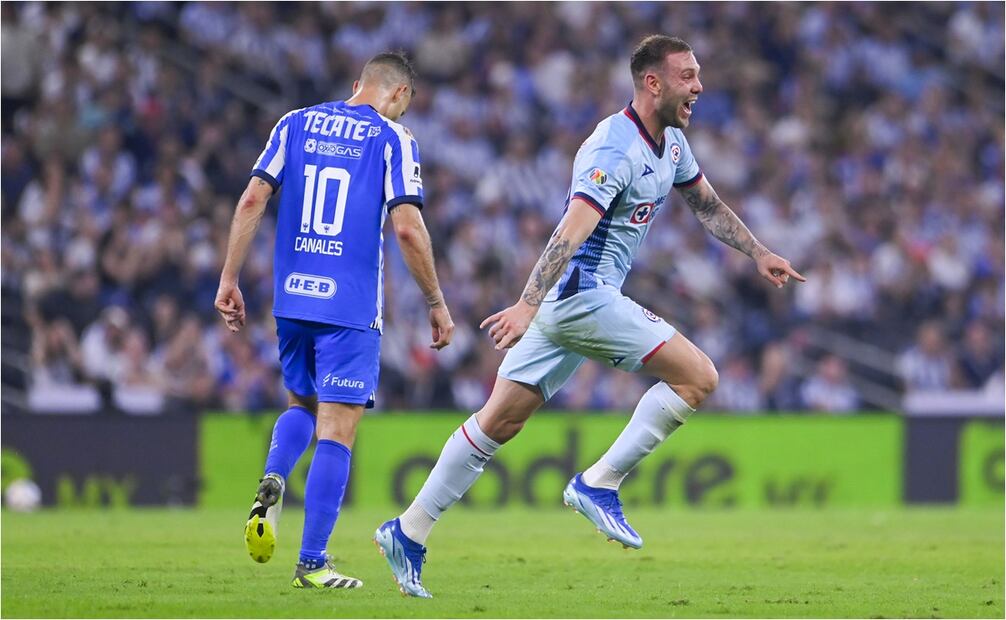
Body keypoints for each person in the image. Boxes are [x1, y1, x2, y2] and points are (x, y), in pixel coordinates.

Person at [374, 35, 805, 598]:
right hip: (581, 294)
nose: (700, 87)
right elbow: (571, 229)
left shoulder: (671, 142)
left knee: (497, 421)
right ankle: (599, 483)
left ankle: (408, 530)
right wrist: (528, 301)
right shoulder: (614, 147)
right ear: (654, 82)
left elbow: (706, 204)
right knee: (699, 377)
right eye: (689, 76)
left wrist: (758, 251)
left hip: (567, 303)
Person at [214, 51, 454, 590]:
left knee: (301, 404)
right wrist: (436, 301)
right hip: (348, 306)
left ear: (357, 84)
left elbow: (253, 197)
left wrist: (229, 278)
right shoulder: (394, 138)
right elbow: (409, 229)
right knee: (339, 429)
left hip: (292, 298)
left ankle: (275, 474)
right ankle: (312, 562)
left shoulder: (293, 122)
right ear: (397, 96)